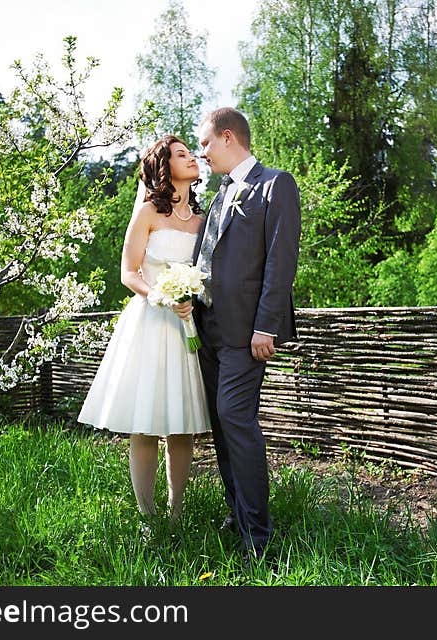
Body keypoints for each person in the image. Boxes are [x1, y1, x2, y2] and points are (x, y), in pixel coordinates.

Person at [78, 135, 210, 521]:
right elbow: (128, 272)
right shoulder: (148, 213)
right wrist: (160, 295)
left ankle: (177, 512)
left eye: (191, 153)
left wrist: (190, 297)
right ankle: (147, 515)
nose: (192, 158)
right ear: (164, 166)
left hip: (187, 326)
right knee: (146, 423)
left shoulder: (203, 222)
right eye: (182, 154)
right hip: (151, 323)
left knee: (182, 426)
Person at [192, 107, 301, 565]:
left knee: (235, 418)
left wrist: (265, 325)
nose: (202, 153)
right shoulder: (220, 194)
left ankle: (259, 536)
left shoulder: (276, 184)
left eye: (205, 144)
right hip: (209, 327)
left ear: (228, 137)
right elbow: (206, 256)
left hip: (246, 331)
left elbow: (281, 259)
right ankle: (237, 514)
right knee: (221, 423)